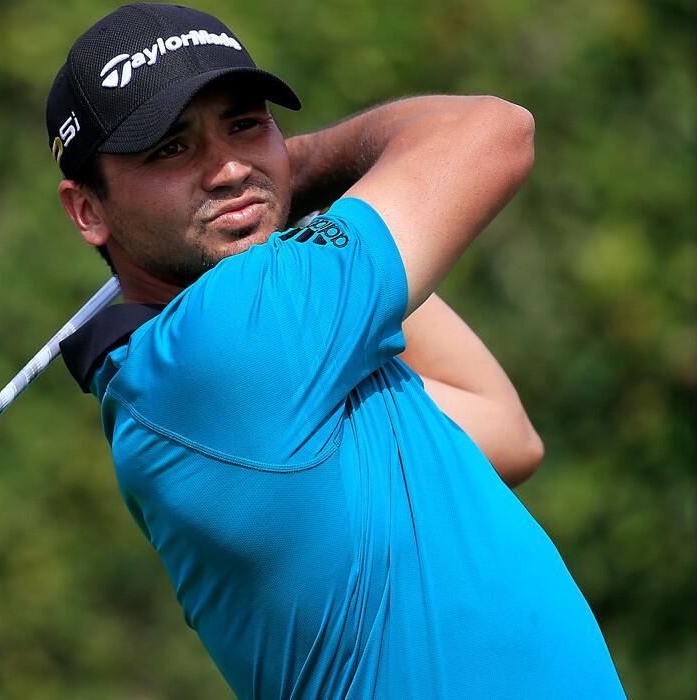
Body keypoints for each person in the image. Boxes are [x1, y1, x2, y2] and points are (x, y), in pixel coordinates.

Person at [48, 4, 625, 699]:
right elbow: (495, 131)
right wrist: (301, 165)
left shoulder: (263, 368)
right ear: (88, 210)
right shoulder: (228, 343)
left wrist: (284, 196)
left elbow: (501, 428)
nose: (228, 168)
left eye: (246, 124)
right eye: (169, 148)